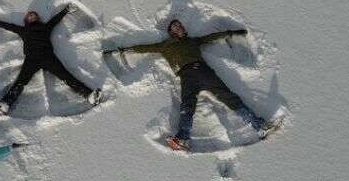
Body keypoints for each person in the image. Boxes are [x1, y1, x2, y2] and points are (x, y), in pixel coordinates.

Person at [110, 19, 274, 150]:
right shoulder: (165, 46)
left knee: (228, 97)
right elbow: (144, 48)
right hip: (186, 76)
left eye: (180, 24)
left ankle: (260, 125)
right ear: (171, 32)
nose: (179, 26)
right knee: (187, 107)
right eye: (175, 26)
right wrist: (124, 50)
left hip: (202, 70)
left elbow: (211, 37)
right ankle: (183, 139)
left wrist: (231, 32)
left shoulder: (192, 41)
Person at [0, 5, 101, 115]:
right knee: (21, 81)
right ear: (26, 20)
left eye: (34, 15)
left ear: (37, 19)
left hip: (48, 56)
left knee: (66, 76)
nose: (32, 16)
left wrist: (65, 10)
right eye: (30, 15)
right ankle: (5, 104)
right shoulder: (23, 30)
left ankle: (89, 95)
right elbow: (9, 26)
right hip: (31, 59)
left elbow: (55, 20)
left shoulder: (45, 27)